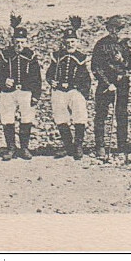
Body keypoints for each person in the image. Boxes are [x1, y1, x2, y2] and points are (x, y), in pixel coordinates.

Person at [0, 16, 42, 161]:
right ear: (13, 41)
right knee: (7, 118)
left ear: (26, 42)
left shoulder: (31, 56)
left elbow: (37, 77)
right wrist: (3, 81)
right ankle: (11, 148)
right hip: (8, 92)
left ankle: (24, 148)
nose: (19, 45)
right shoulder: (6, 54)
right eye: (17, 42)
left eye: (22, 42)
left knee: (26, 118)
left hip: (26, 92)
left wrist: (36, 95)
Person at [45, 17, 91, 160]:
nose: (70, 44)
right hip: (59, 91)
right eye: (67, 42)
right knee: (60, 117)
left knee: (79, 116)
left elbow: (86, 77)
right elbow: (49, 73)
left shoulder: (81, 57)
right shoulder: (58, 56)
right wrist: (51, 81)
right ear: (63, 43)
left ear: (77, 42)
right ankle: (68, 145)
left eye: (73, 41)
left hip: (75, 91)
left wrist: (83, 93)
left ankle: (78, 146)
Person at [91, 15, 131, 159]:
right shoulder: (101, 45)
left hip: (122, 85)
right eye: (116, 29)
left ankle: (122, 144)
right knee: (101, 115)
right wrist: (108, 84)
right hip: (106, 85)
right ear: (110, 29)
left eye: (121, 29)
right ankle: (100, 145)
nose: (118, 32)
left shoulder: (125, 44)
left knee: (122, 113)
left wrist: (123, 61)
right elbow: (95, 67)